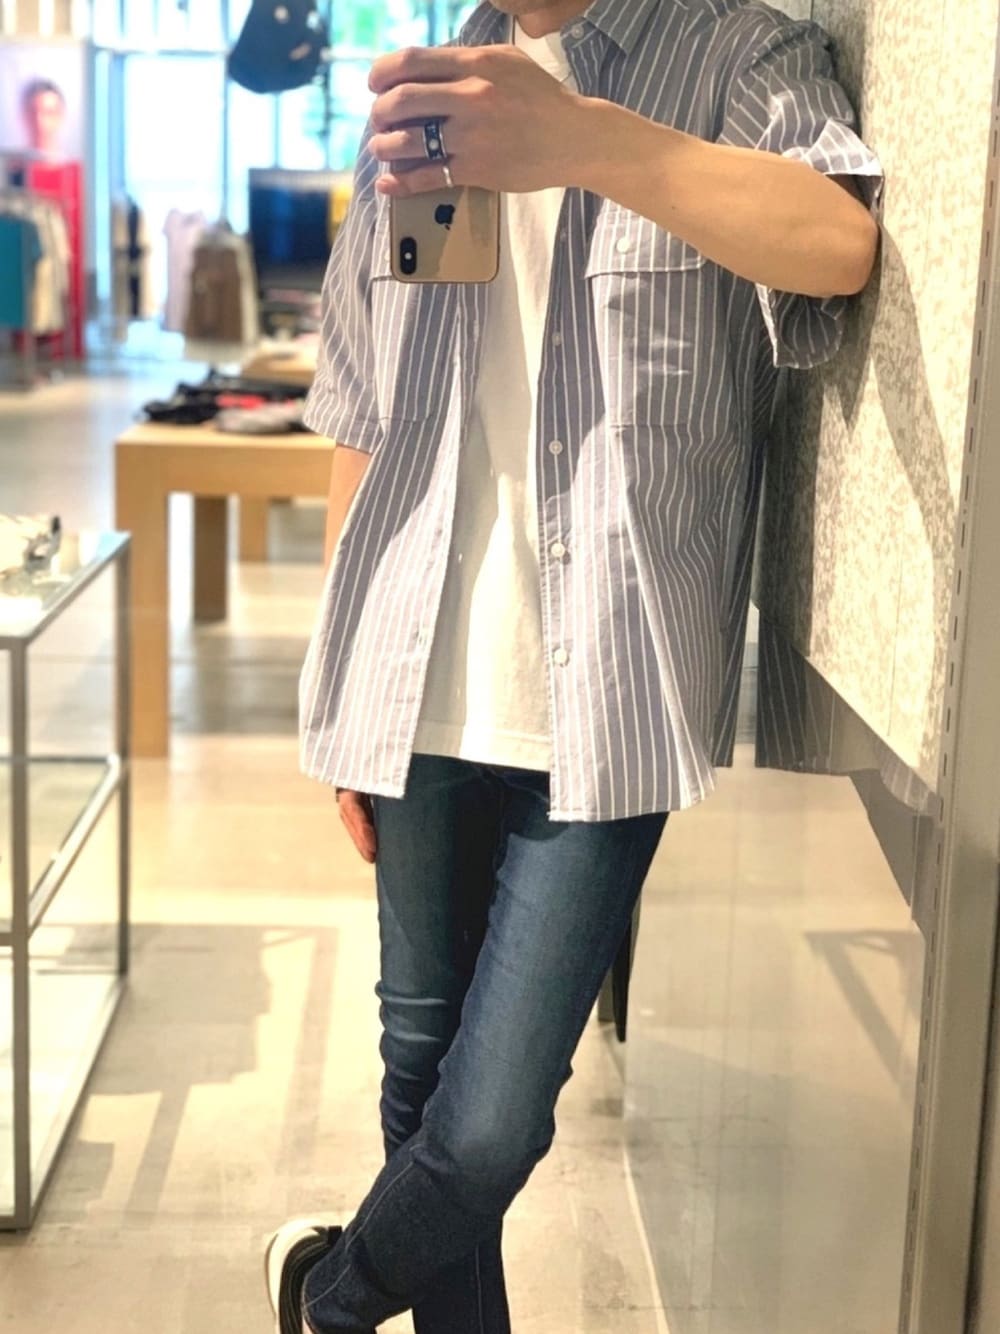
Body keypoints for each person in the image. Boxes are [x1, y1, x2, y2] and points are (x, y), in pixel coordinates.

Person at [264, 0, 883, 1330]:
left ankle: (330, 1293)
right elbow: (365, 405)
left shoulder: (739, 55)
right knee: (420, 1069)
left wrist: (589, 140)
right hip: (416, 675)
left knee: (491, 1123)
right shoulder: (425, 99)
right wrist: (343, 685)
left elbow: (838, 242)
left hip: (609, 697)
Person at [20, 78, 67, 157]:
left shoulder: (79, 163)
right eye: (33, 112)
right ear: (24, 115)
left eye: (49, 112)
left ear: (61, 116)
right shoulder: (10, 163)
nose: (39, 120)